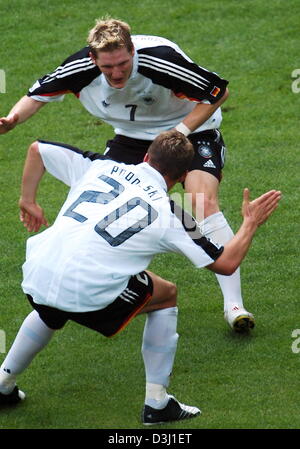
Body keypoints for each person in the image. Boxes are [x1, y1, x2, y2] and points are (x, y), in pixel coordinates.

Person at [0, 131, 281, 425]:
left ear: (146, 156)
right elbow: (226, 262)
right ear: (184, 175)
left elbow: (37, 149)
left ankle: (3, 384)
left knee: (54, 305)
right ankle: (157, 404)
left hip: (37, 270)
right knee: (166, 295)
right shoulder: (174, 213)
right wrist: (250, 224)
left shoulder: (101, 165)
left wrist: (27, 200)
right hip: (85, 289)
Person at [1, 18, 253, 330]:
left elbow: (217, 92)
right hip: (131, 138)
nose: (117, 73)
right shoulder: (80, 67)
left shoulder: (161, 61)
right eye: (108, 68)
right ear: (94, 60)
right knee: (99, 200)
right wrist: (12, 118)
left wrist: (178, 132)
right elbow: (37, 96)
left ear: (132, 51)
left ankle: (234, 305)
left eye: (123, 64)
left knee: (202, 203)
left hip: (192, 131)